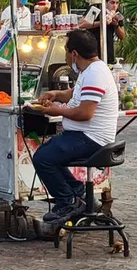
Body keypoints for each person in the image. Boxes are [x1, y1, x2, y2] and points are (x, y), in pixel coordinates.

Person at [32, 30, 119, 224]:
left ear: (75, 54)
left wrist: (58, 111)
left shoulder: (95, 74)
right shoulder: (90, 71)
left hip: (91, 138)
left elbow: (85, 113)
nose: (65, 56)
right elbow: (74, 94)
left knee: (43, 158)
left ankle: (67, 202)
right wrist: (55, 94)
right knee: (50, 153)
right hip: (83, 135)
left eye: (66, 51)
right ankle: (83, 196)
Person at [79, 0, 126, 64]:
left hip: (108, 52)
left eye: (117, 3)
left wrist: (116, 25)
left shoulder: (117, 14)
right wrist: (102, 23)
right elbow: (82, 24)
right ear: (105, 2)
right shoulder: (96, 8)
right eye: (112, 2)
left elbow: (123, 36)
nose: (114, 6)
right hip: (92, 51)